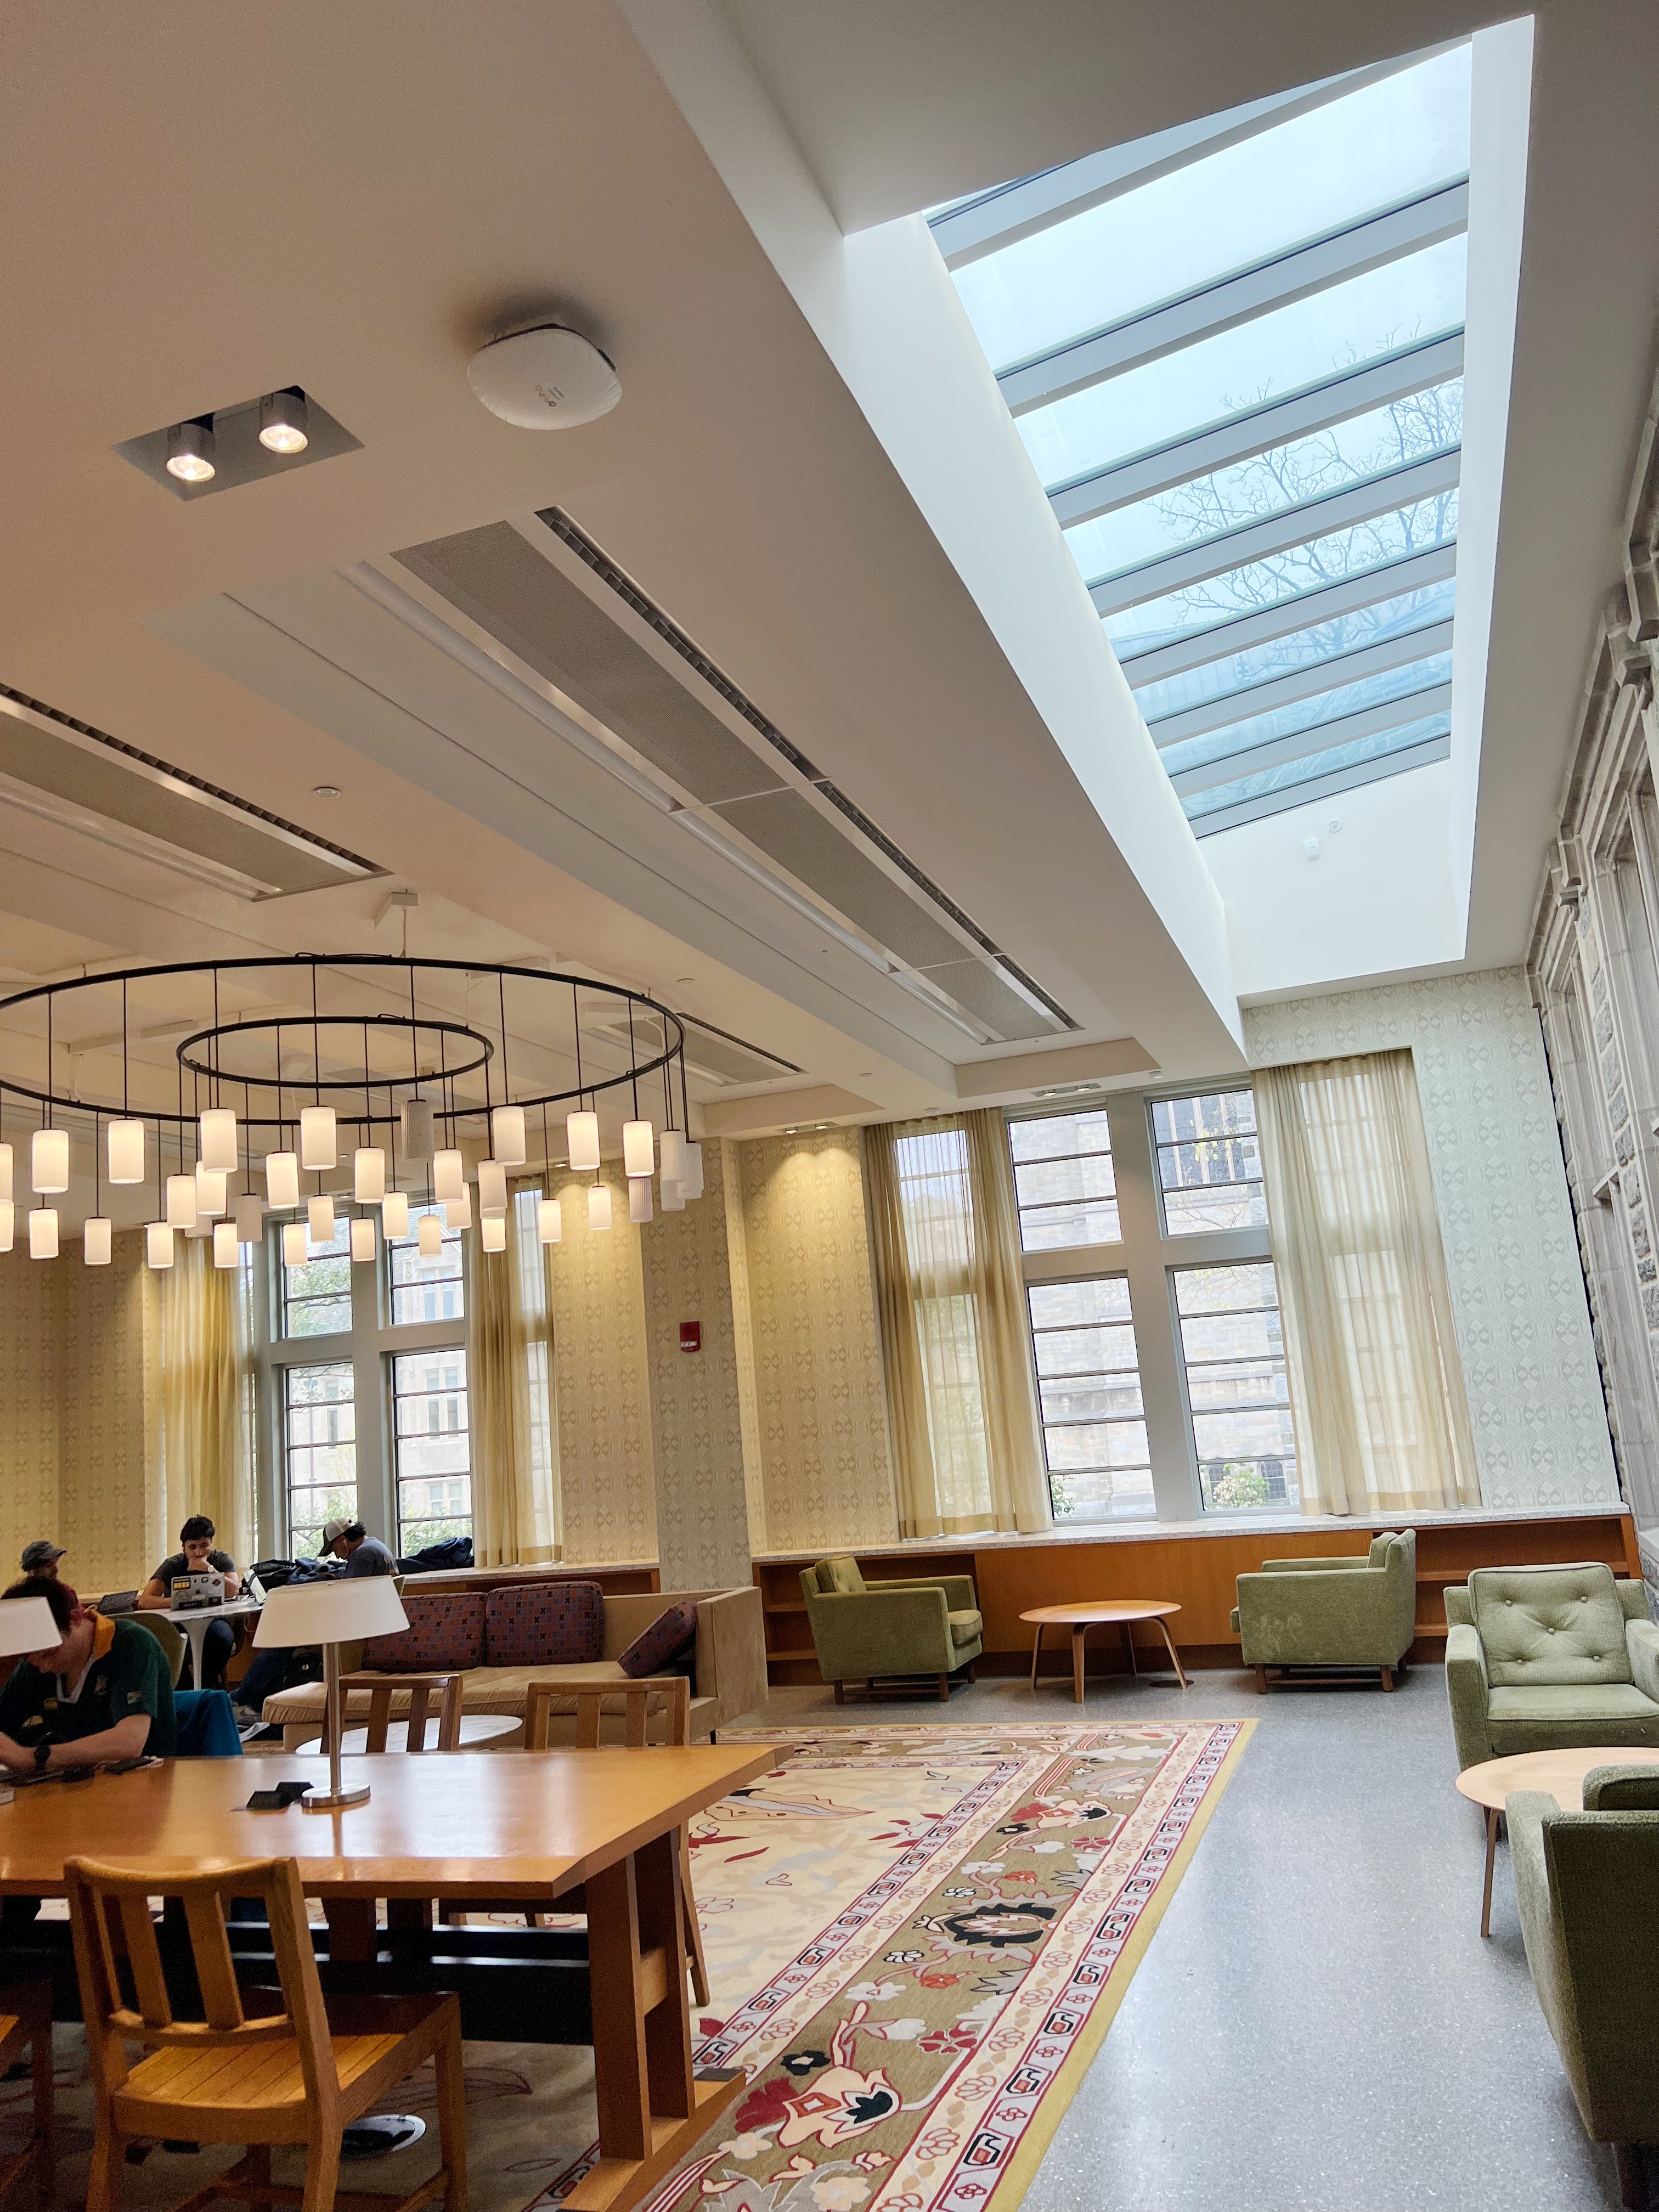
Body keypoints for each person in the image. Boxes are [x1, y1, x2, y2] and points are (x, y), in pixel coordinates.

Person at [0, 1577, 176, 1769]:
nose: (43, 1667)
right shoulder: (34, 1665)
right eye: (27, 1658)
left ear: (75, 1618)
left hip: (146, 1780)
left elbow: (130, 1742)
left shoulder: (132, 1644)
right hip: (77, 1781)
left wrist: (32, 1758)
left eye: (50, 1653)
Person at [138, 1516, 240, 1689]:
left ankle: (206, 1685)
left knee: (222, 1638)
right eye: (192, 1547)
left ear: (211, 1544)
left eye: (203, 1546)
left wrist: (209, 1569)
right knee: (174, 1643)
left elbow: (234, 1590)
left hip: (213, 1620)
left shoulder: (221, 1560)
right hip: (178, 1623)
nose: (198, 1553)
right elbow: (145, 1601)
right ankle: (185, 1689)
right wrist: (178, 1601)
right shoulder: (173, 1565)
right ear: (184, 1548)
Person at [321, 1519, 396, 1577]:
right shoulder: (376, 1544)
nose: (338, 1556)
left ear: (343, 1539)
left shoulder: (361, 1555)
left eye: (335, 1550)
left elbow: (351, 1590)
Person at [19, 1541, 77, 1612]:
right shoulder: (18, 1597)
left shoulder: (67, 1592)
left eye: (55, 1563)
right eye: (49, 1566)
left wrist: (84, 1614)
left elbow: (76, 1616)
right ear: (32, 1570)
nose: (56, 1570)